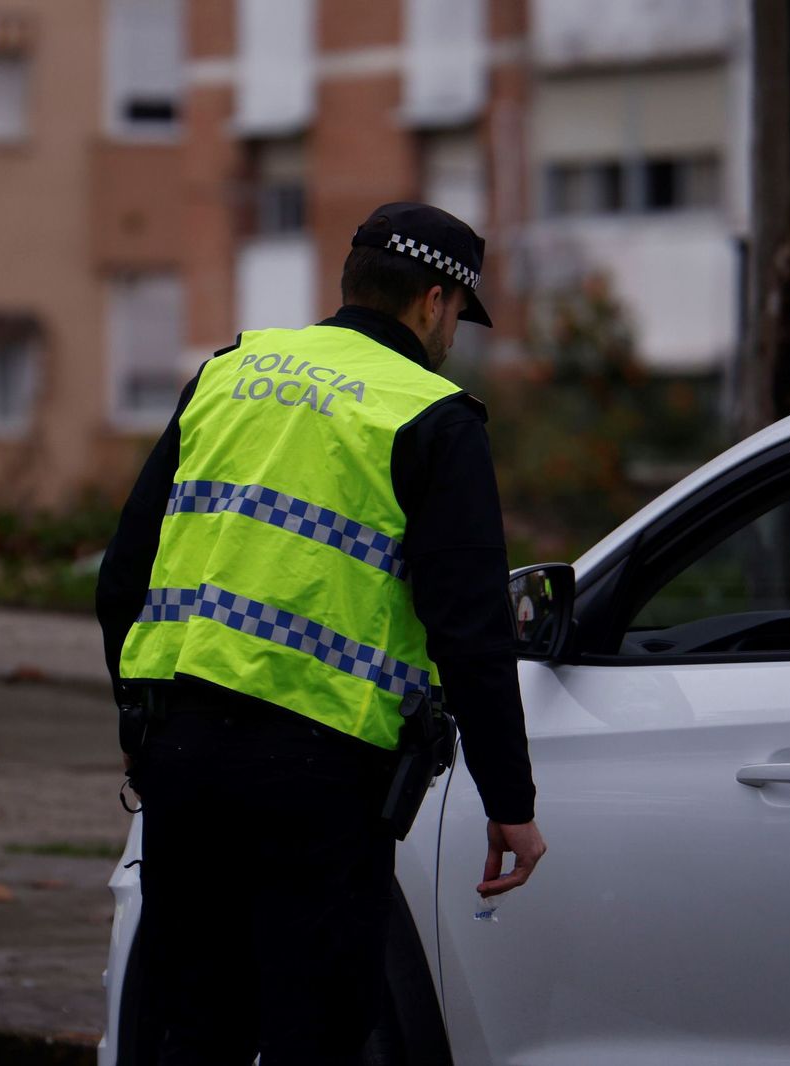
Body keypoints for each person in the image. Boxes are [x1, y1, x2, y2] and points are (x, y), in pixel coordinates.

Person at [96, 202, 546, 1064]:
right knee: (317, 1032)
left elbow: (125, 573)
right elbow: (472, 630)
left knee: (193, 1026)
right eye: (457, 315)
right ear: (434, 303)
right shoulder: (434, 416)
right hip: (324, 781)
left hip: (184, 762)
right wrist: (511, 804)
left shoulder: (230, 370)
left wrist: (140, 726)